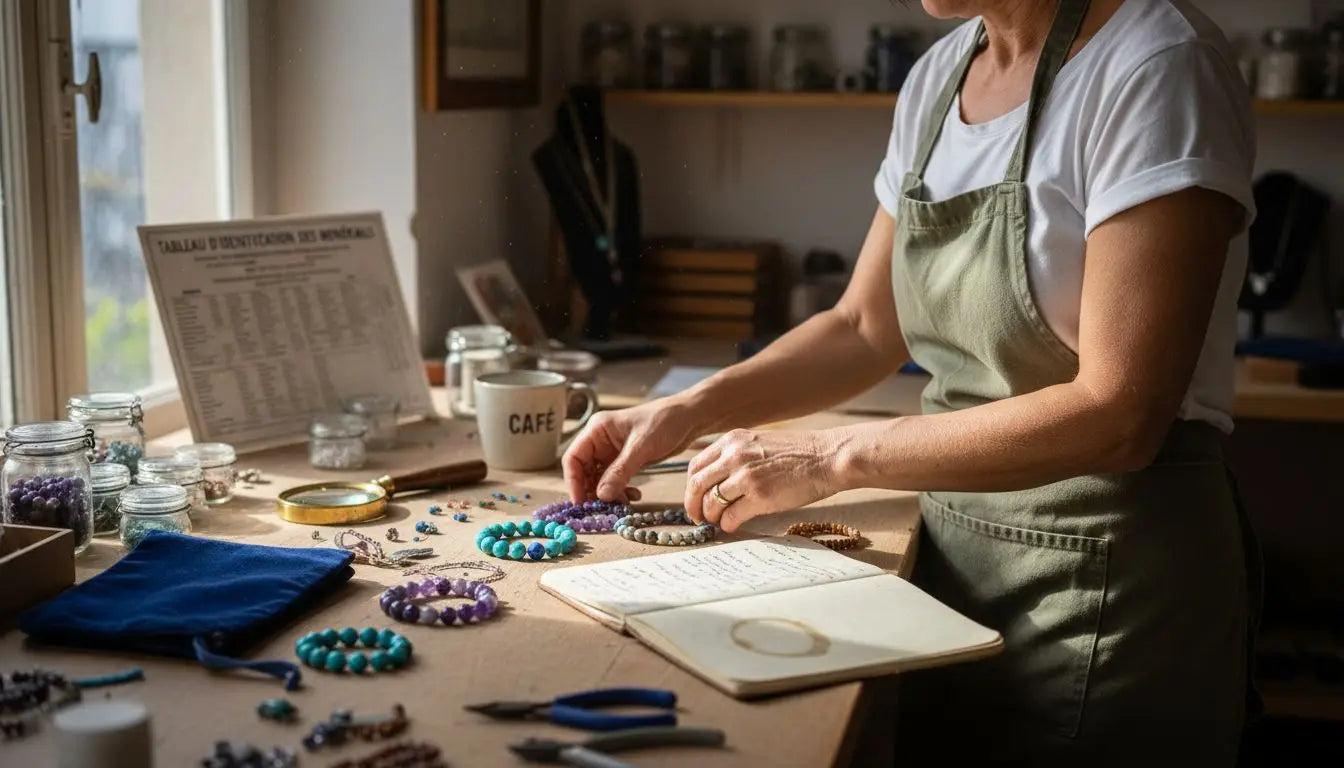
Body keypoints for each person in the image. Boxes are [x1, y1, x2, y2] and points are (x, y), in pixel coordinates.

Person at [562, 0, 1260, 762]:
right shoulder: (940, 75)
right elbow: (864, 327)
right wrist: (687, 409)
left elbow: (1121, 412)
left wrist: (829, 458)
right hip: (948, 565)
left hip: (1105, 593)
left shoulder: (1157, 66)